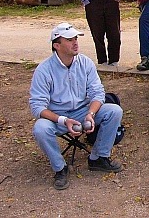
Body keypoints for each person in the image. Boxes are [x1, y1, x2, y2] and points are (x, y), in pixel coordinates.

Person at [29, 22, 123, 190]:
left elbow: (98, 93)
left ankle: (99, 158)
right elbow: (37, 107)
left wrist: (91, 114)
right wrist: (63, 120)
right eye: (69, 39)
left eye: (75, 38)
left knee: (114, 111)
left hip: (82, 111)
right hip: (57, 116)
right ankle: (60, 168)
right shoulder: (44, 70)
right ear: (57, 45)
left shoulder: (85, 63)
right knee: (40, 128)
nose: (75, 42)